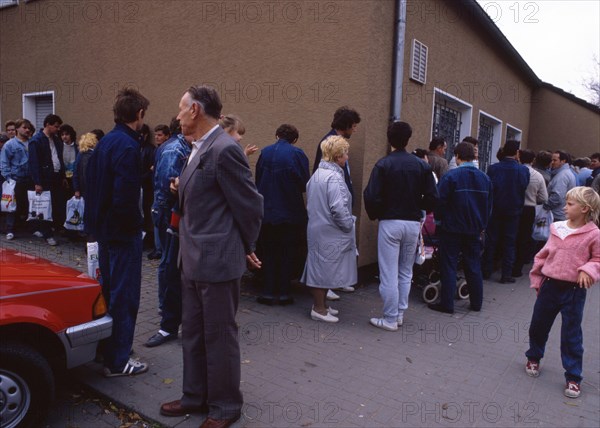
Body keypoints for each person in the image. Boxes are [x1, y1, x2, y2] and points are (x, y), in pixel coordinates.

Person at [160, 85, 263, 428]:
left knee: (219, 337)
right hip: (191, 260)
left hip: (217, 261)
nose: (176, 115)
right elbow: (205, 196)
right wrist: (180, 189)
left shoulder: (224, 149)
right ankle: (194, 396)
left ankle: (224, 407)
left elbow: (249, 206)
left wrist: (246, 246)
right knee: (192, 333)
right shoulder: (197, 148)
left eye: (180, 108)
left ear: (195, 111)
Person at [84, 87, 150, 377]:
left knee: (109, 294)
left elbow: (95, 188)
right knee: (124, 297)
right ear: (139, 114)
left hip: (106, 232)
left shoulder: (106, 142)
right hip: (122, 235)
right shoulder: (126, 145)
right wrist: (136, 227)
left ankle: (107, 350)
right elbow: (124, 197)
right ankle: (119, 360)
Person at [525, 186, 600, 399]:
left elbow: (597, 259)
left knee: (571, 335)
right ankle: (533, 356)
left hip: (574, 291)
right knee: (538, 325)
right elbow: (543, 255)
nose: (565, 207)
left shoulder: (594, 234)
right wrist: (537, 279)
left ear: (584, 209)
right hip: (550, 287)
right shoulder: (556, 228)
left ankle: (573, 376)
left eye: (569, 204)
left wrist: (588, 270)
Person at [364, 121, 438, 331]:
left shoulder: (383, 164)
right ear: (408, 139)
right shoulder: (422, 165)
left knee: (388, 272)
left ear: (390, 139)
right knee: (406, 271)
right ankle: (399, 315)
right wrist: (418, 205)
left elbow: (371, 196)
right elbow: (433, 197)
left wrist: (377, 213)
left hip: (390, 222)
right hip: (412, 223)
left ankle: (389, 318)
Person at [428, 141, 492, 314]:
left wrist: (439, 221)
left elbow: (439, 202)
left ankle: (447, 304)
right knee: (473, 265)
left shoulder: (451, 177)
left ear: (457, 156)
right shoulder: (485, 179)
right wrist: (482, 226)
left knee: (448, 264)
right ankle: (476, 303)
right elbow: (489, 206)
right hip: (474, 229)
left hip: (451, 228)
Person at [301, 135, 356, 323]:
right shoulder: (333, 177)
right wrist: (349, 225)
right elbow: (338, 209)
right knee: (323, 270)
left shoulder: (317, 174)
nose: (347, 157)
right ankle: (319, 308)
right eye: (345, 153)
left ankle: (323, 306)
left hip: (318, 228)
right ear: (337, 155)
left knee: (322, 268)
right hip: (330, 231)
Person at [144, 127, 191, 347]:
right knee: (169, 265)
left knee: (176, 268)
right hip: (172, 215)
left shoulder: (194, 148)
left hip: (181, 215)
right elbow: (167, 186)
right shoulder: (175, 150)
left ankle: (175, 319)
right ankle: (167, 319)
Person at [255, 124, 310, 305]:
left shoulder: (265, 152)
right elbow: (304, 183)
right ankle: (284, 292)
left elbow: (258, 180)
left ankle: (268, 291)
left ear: (277, 135)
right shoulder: (297, 154)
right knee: (287, 252)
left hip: (267, 211)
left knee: (268, 252)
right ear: (294, 139)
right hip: (289, 211)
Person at [313, 106, 361, 300]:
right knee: (333, 247)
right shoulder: (329, 142)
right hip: (333, 207)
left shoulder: (338, 141)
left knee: (342, 246)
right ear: (347, 125)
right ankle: (328, 287)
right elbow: (321, 172)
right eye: (354, 126)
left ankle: (337, 282)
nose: (355, 130)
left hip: (341, 200)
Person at [482, 140, 529, 283]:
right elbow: (523, 186)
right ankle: (506, 274)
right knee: (509, 242)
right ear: (517, 153)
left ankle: (486, 270)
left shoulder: (494, 168)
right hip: (514, 210)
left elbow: (490, 188)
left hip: (496, 208)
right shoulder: (523, 170)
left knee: (491, 240)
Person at [28, 114, 65, 245]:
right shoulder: (36, 140)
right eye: (56, 126)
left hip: (56, 176)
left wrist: (63, 176)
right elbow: (34, 163)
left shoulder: (56, 139)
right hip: (44, 178)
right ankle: (47, 234)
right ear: (47, 125)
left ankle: (51, 229)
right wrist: (37, 182)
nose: (58, 129)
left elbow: (60, 158)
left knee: (56, 205)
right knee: (45, 206)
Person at [512, 149, 548, 277]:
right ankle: (517, 269)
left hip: (513, 206)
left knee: (510, 236)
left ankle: (506, 264)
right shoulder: (538, 176)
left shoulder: (514, 172)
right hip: (529, 208)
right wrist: (533, 199)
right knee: (524, 238)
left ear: (519, 157)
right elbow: (544, 197)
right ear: (533, 160)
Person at [0, 119, 34, 240]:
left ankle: (30, 228)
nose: (27, 130)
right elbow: (4, 163)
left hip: (29, 179)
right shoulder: (10, 145)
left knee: (29, 204)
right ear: (17, 129)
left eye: (29, 128)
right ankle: (10, 229)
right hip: (15, 179)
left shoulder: (32, 143)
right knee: (12, 205)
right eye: (24, 127)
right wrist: (9, 179)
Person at [543, 150, 576, 222]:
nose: (552, 162)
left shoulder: (562, 176)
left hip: (557, 214)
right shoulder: (565, 173)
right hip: (561, 213)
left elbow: (557, 197)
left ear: (563, 161)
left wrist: (545, 206)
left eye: (555, 160)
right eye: (551, 160)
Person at [72, 133, 99, 199]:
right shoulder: (93, 156)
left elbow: (75, 173)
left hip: (82, 188)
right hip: (92, 188)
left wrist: (77, 189)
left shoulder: (80, 155)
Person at [59, 124, 78, 193]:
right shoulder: (59, 148)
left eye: (66, 134)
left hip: (74, 178)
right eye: (62, 135)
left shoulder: (77, 148)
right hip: (63, 178)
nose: (64, 136)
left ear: (71, 135)